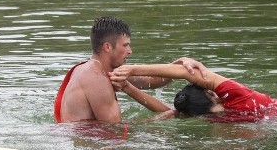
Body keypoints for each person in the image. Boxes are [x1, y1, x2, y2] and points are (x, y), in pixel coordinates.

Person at [54, 16, 208, 123]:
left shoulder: (105, 70)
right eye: (125, 45)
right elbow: (114, 132)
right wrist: (156, 121)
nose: (130, 51)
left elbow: (152, 81)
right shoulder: (95, 77)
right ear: (107, 47)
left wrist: (180, 64)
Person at [108, 62, 277, 122]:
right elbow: (189, 73)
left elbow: (168, 112)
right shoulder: (239, 96)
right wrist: (131, 71)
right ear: (211, 94)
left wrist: (128, 86)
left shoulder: (211, 119)